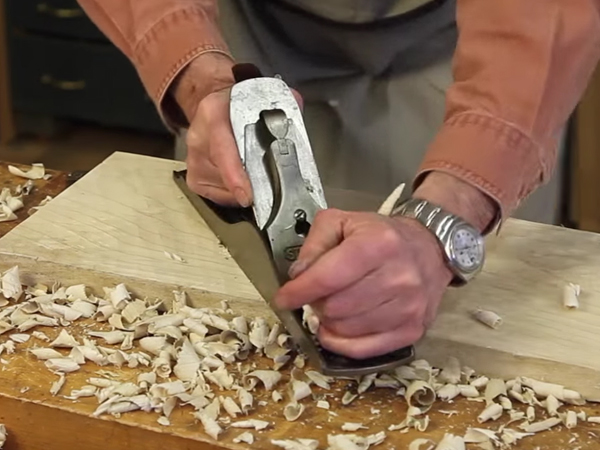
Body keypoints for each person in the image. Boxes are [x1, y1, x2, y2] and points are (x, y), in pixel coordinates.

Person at [77, 0, 600, 360]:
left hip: (459, 38)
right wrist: (199, 78)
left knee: (470, 322)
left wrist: (449, 213)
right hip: (244, 28)